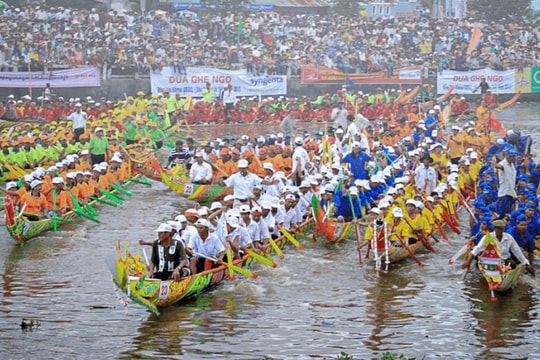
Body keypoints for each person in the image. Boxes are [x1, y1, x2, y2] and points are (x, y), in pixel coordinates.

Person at [462, 220, 534, 275]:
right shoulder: (488, 237)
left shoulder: (509, 238)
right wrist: (468, 262)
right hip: (490, 261)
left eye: (501, 229)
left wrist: (527, 264)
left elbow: (517, 252)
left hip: (504, 261)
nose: (500, 231)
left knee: (513, 265)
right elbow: (476, 249)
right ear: (494, 229)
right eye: (498, 229)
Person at [495, 151, 517, 218]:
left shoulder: (512, 165)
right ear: (506, 156)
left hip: (512, 193)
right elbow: (499, 166)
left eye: (513, 156)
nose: (512, 158)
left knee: (509, 214)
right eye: (510, 156)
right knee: (504, 214)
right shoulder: (503, 164)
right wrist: (496, 165)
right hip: (505, 193)